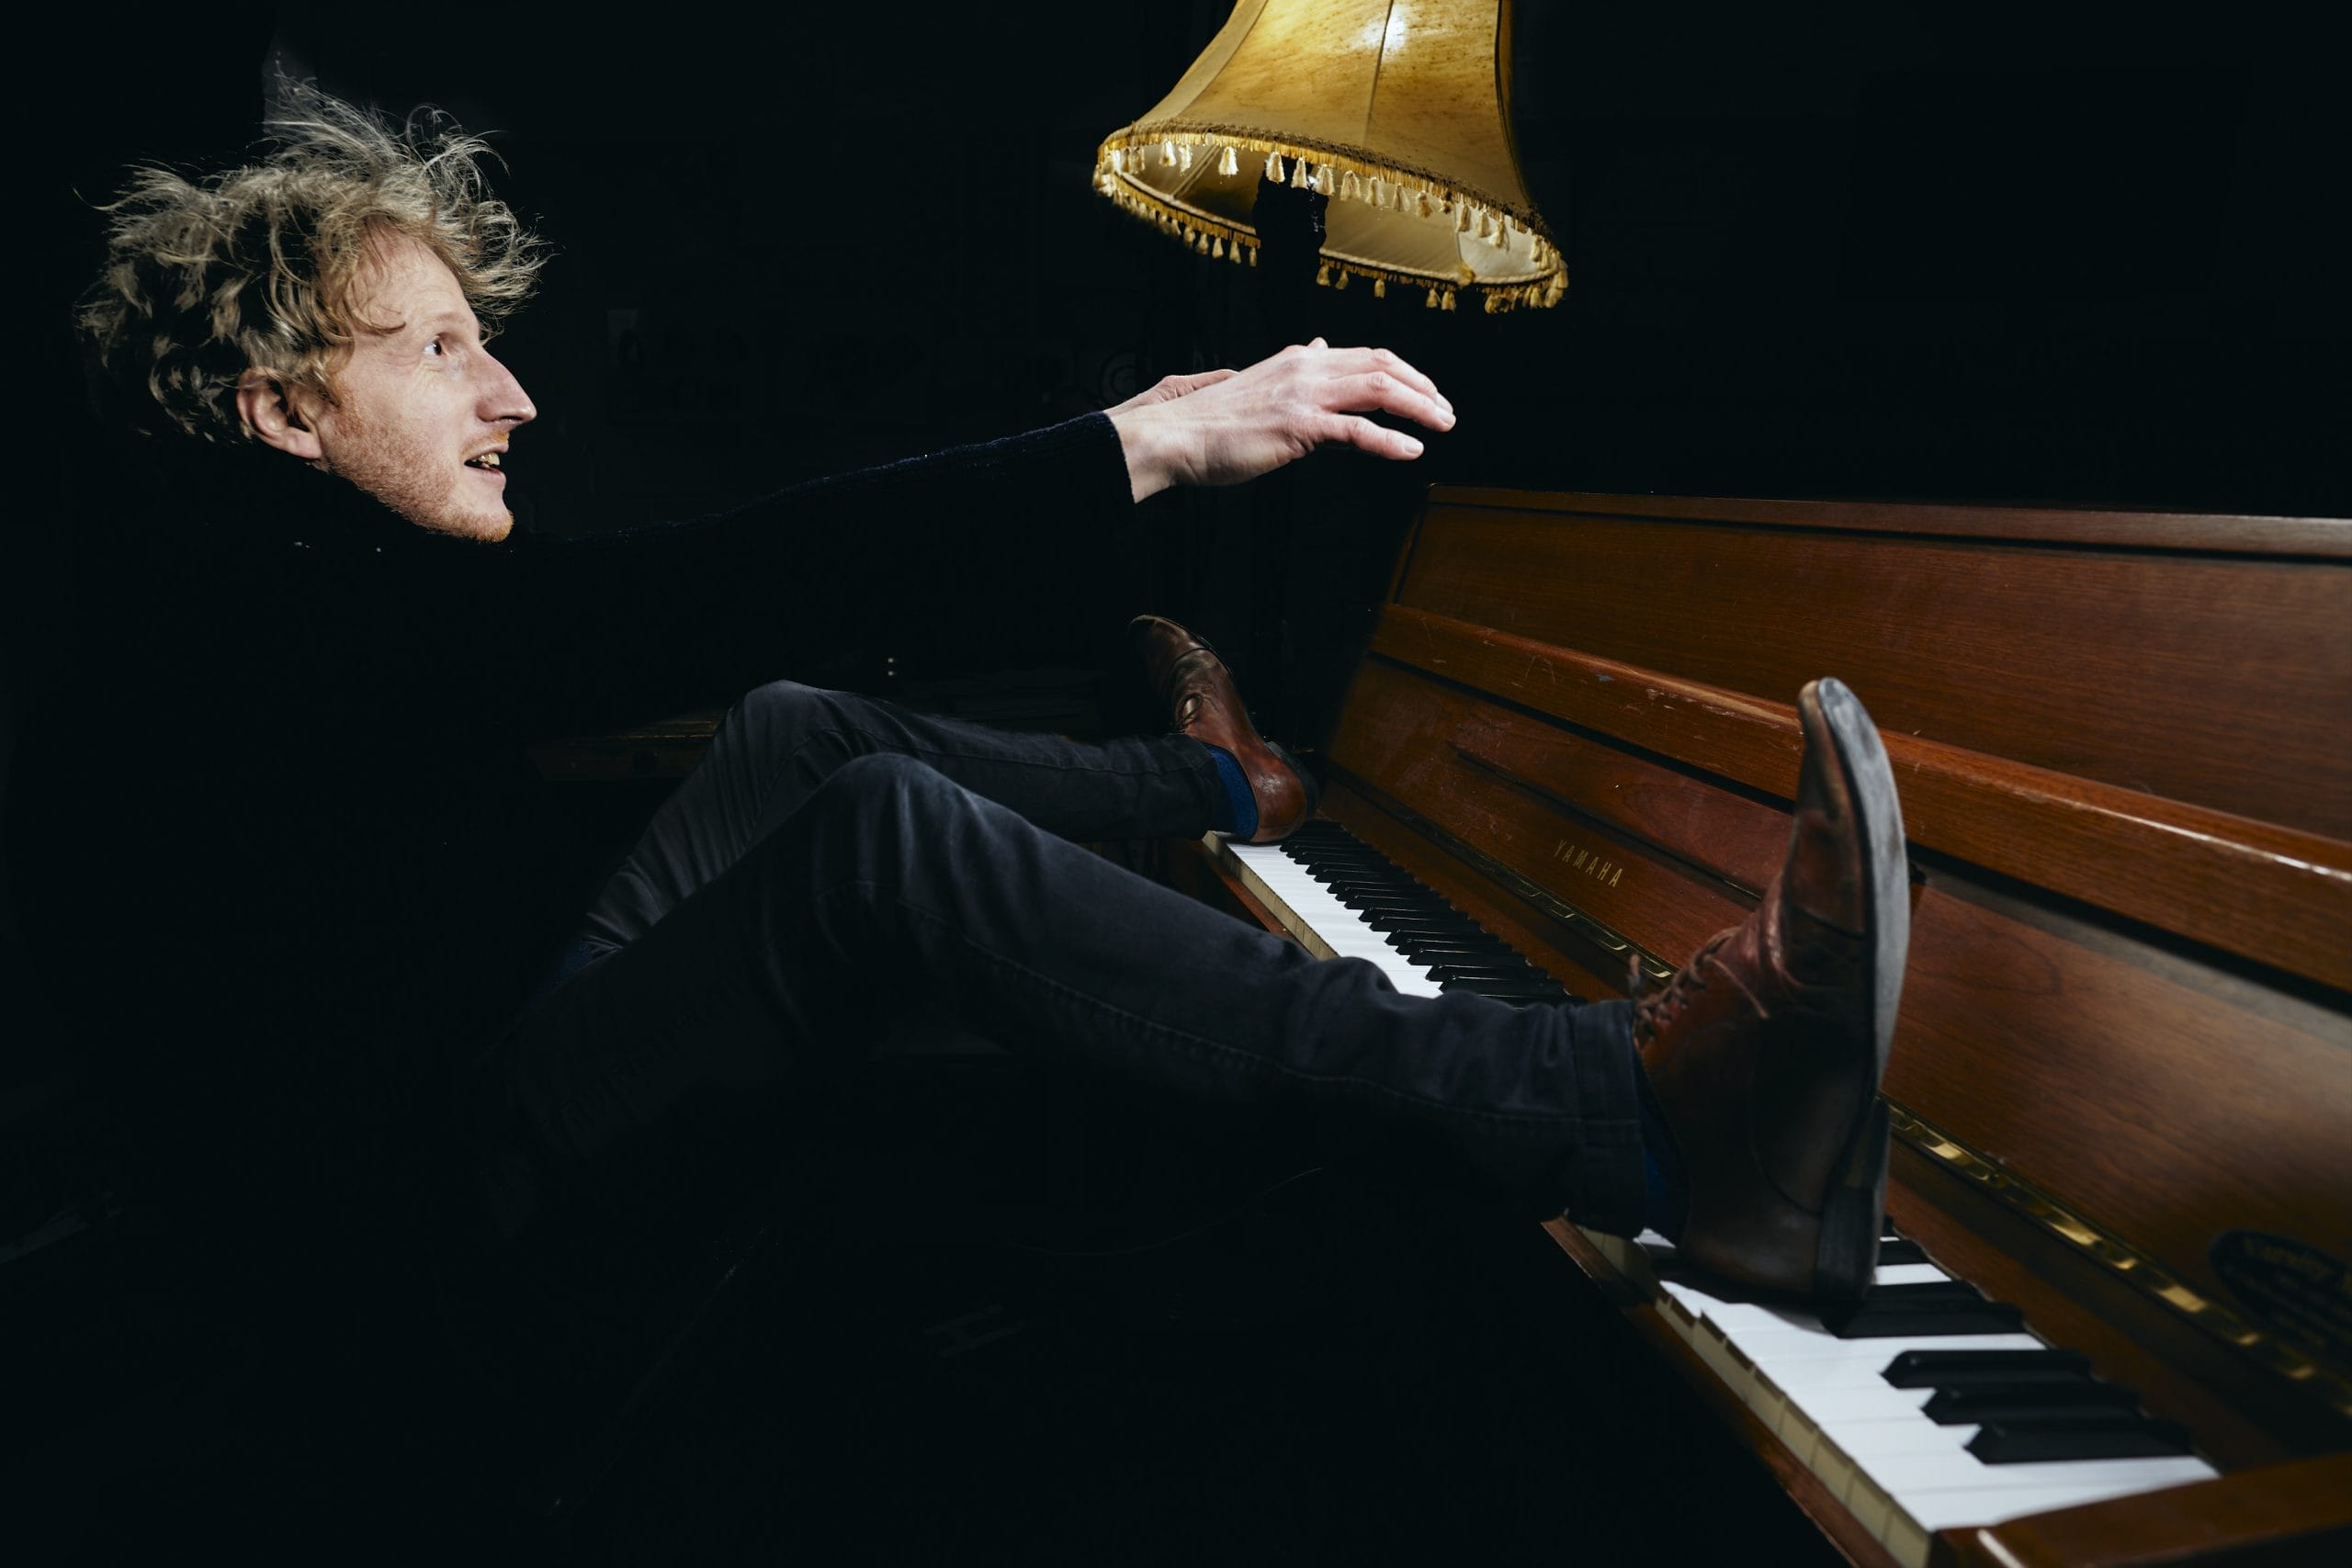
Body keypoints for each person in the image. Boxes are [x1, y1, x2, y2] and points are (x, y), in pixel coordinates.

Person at [24, 86, 1905, 1419]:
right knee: (878, 835)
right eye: (441, 351)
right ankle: (1640, 1113)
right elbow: (715, 584)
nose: (509, 392)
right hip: (426, 1224)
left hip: (486, 1057)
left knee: (790, 738)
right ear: (280, 406)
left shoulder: (290, 579)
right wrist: (1141, 447)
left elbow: (699, 644)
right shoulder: (247, 613)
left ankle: (1222, 787)